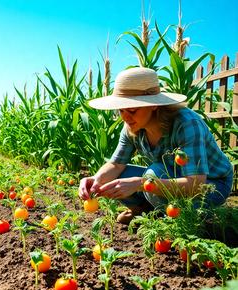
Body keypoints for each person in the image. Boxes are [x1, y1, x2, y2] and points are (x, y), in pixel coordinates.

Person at [78, 67, 233, 224]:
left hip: (211, 186)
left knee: (153, 175)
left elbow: (196, 183)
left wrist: (139, 184)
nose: (125, 117)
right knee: (118, 175)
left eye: (131, 109)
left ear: (153, 105)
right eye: (121, 110)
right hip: (170, 177)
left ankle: (184, 220)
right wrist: (96, 178)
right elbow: (115, 165)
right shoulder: (132, 127)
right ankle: (144, 208)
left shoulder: (186, 124)